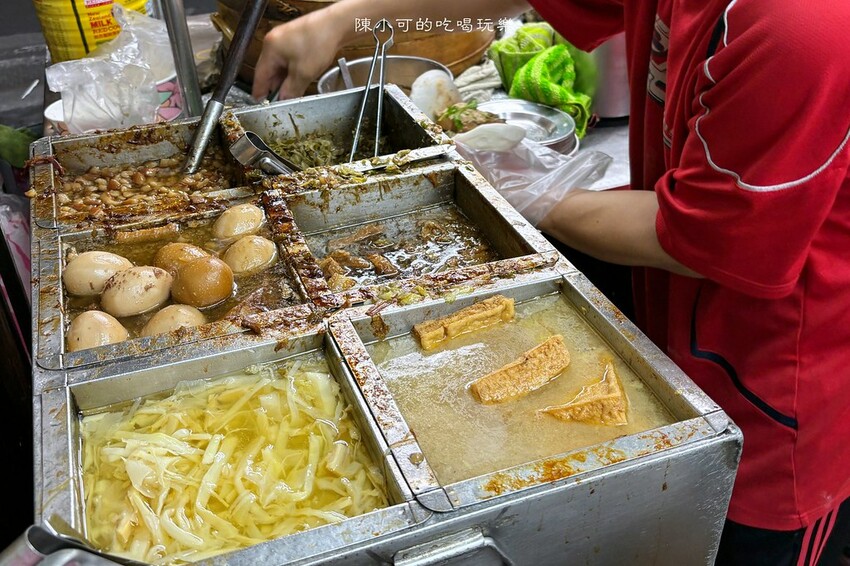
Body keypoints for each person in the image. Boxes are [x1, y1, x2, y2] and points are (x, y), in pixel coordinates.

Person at [253, 0, 850, 563]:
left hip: (775, 390)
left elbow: (707, 240)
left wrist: (537, 195)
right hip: (671, 310)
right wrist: (349, 20)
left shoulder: (802, 24)